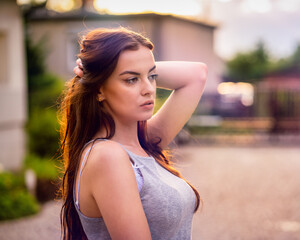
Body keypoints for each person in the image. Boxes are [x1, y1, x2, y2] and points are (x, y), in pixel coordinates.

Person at [58, 27, 207, 240]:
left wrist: (135, 68)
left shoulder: (143, 142)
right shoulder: (107, 157)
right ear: (99, 89)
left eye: (152, 76)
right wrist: (99, 71)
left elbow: (197, 74)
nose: (149, 89)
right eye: (131, 80)